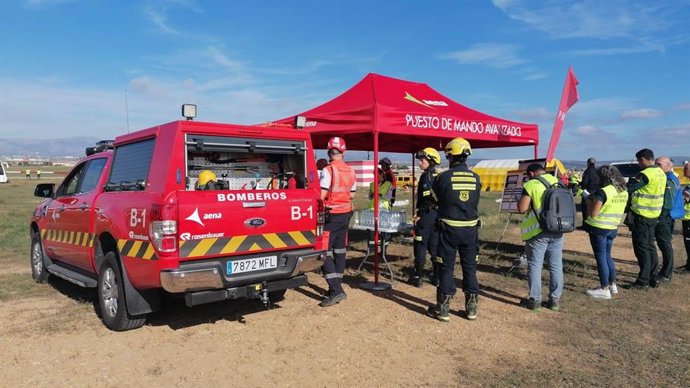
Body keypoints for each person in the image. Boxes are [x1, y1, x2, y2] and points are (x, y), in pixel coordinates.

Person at [427, 138, 481, 321]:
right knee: (470, 267)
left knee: (446, 267)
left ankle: (443, 309)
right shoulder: (476, 178)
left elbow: (434, 199)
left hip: (448, 230)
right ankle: (471, 308)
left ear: (451, 155)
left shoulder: (443, 177)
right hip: (471, 231)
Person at [517, 163, 564, 311]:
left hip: (537, 232)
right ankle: (554, 300)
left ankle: (535, 300)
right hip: (558, 229)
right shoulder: (558, 183)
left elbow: (522, 208)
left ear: (531, 173)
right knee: (556, 265)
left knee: (535, 265)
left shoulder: (531, 184)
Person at [319, 136, 357, 307]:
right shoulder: (351, 170)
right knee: (340, 251)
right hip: (346, 214)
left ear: (329, 151)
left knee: (323, 251)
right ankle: (337, 286)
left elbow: (321, 196)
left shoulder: (328, 170)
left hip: (332, 214)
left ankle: (336, 290)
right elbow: (353, 194)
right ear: (344, 152)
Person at [584, 166, 628, 300]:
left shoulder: (603, 191)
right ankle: (612, 284)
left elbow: (594, 213)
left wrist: (588, 200)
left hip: (599, 227)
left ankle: (604, 288)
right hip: (613, 226)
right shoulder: (623, 191)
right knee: (608, 256)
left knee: (601, 257)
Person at [627, 148, 666, 289]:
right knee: (650, 246)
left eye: (638, 161)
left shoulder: (646, 174)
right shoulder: (660, 173)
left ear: (643, 159)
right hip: (653, 214)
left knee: (642, 248)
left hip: (642, 215)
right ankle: (653, 276)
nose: (638, 164)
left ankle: (643, 280)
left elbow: (630, 188)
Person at [408, 147, 440, 287]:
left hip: (426, 215)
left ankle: (418, 276)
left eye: (422, 160)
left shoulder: (426, 177)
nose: (420, 163)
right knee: (435, 246)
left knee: (420, 245)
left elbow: (426, 199)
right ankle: (436, 277)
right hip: (436, 216)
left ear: (431, 161)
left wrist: (419, 215)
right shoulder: (438, 176)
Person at [654, 156, 679, 282]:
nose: (656, 167)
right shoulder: (666, 177)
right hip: (665, 216)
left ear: (669, 166)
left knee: (665, 244)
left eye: (659, 165)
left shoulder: (669, 180)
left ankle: (666, 273)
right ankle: (665, 271)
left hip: (665, 217)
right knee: (663, 244)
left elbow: (667, 203)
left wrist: (660, 218)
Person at [579, 158, 600, 227]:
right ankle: (593, 223)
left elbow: (585, 183)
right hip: (597, 192)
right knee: (595, 207)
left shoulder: (587, 171)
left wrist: (580, 184)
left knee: (586, 208)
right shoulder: (598, 171)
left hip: (588, 191)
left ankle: (586, 225)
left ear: (588, 163)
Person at [679, 162, 690, 273]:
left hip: (689, 219)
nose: (683, 170)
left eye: (686, 168)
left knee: (689, 242)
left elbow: (685, 198)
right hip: (686, 218)